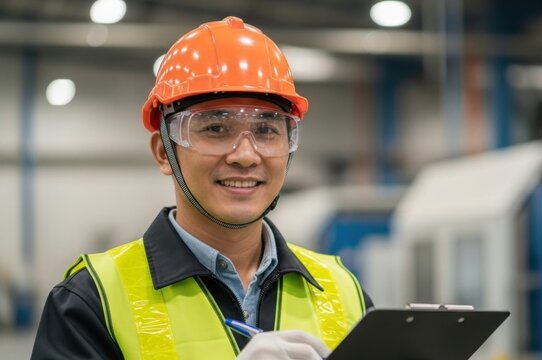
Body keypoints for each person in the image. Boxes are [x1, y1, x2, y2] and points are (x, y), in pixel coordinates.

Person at [32, 16, 371, 359]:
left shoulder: (342, 290)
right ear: (165, 153)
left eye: (266, 131)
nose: (245, 155)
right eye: (215, 128)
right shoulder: (91, 300)